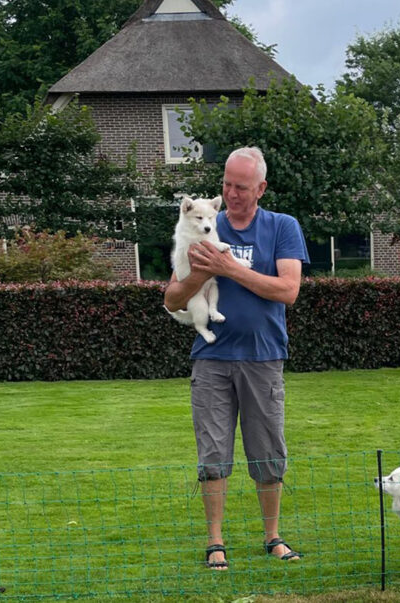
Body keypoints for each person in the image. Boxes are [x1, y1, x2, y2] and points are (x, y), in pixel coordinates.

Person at [163, 146, 309, 570]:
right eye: (227, 184)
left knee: (267, 450)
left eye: (241, 186)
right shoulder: (202, 222)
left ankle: (273, 537)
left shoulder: (282, 227)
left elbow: (288, 290)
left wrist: (226, 269)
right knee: (213, 452)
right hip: (211, 359)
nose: (231, 193)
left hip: (264, 357)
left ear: (260, 188)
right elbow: (172, 298)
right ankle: (215, 543)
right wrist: (202, 274)